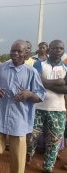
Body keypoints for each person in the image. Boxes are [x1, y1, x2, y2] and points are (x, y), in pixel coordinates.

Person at [0, 40, 45, 173]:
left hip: (19, 120)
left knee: (18, 157)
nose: (15, 53)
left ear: (26, 53)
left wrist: (29, 94)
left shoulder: (32, 72)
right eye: (13, 50)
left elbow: (40, 95)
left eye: (19, 51)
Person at [27, 40, 67, 173]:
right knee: (31, 137)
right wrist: (59, 82)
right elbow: (37, 82)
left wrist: (45, 84)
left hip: (58, 109)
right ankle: (28, 157)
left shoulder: (65, 67)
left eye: (61, 48)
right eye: (56, 48)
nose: (58, 50)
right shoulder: (39, 64)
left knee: (54, 140)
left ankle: (48, 166)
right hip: (38, 107)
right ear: (49, 49)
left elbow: (66, 89)